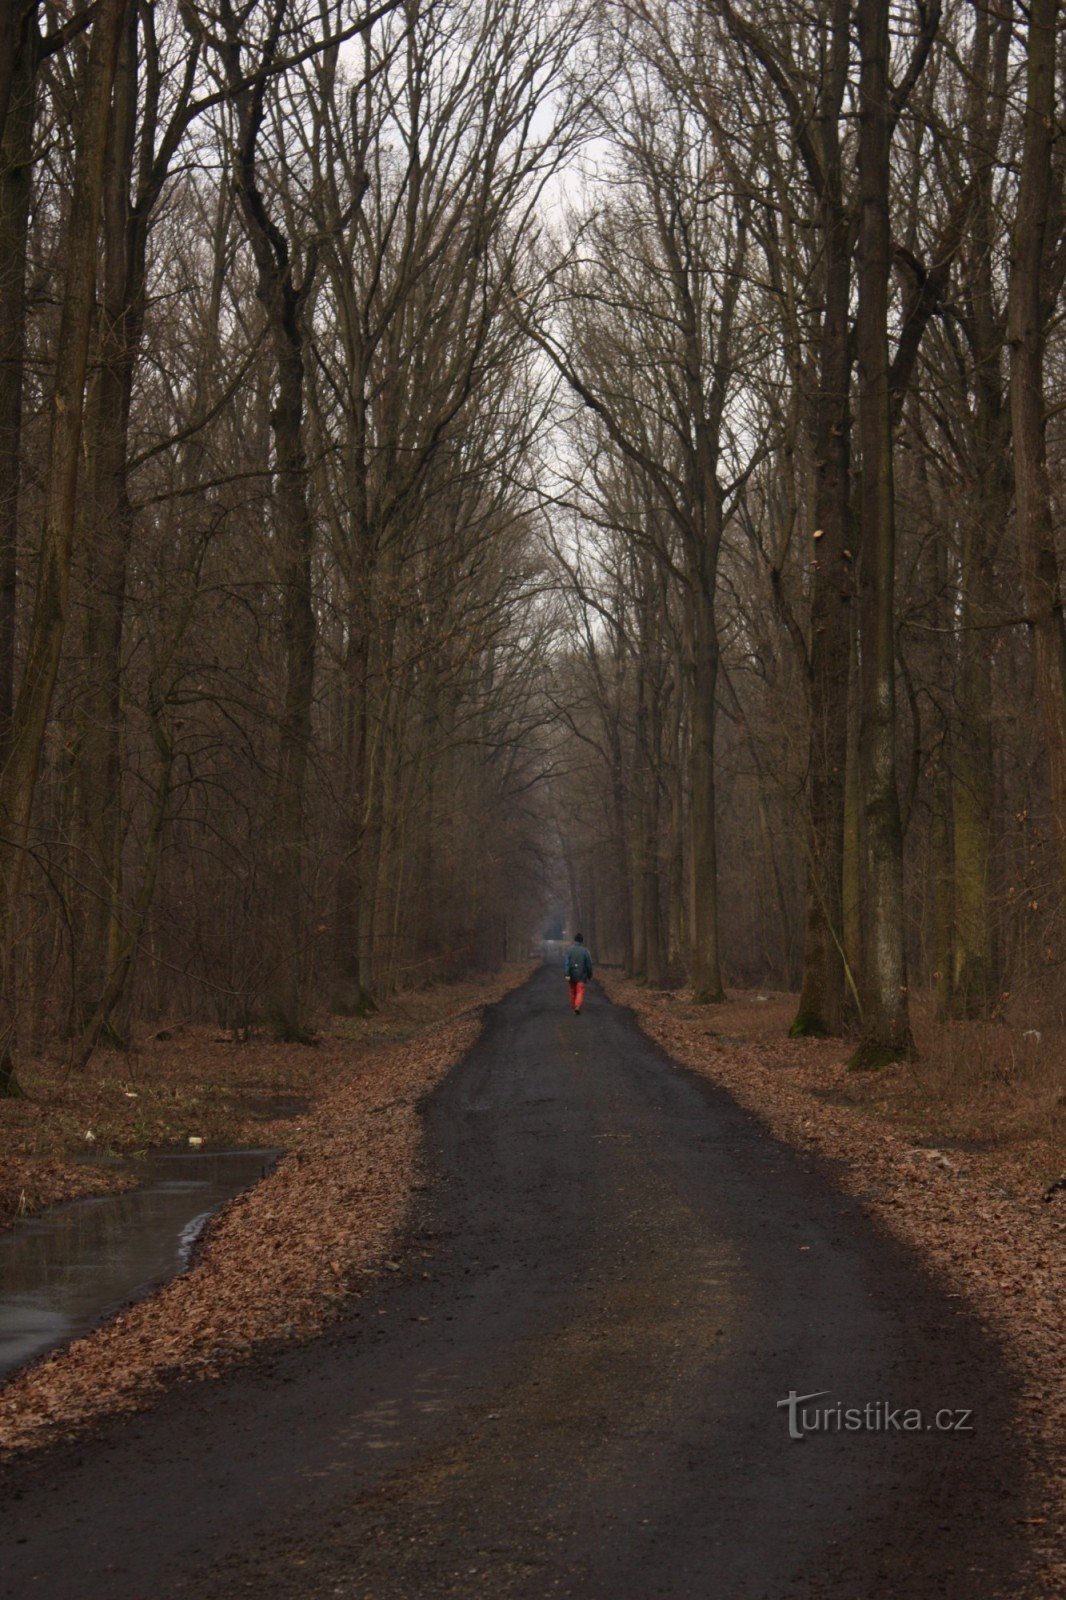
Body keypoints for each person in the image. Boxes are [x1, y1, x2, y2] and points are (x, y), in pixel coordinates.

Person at [563, 932, 592, 1014]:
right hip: (581, 975)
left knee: (572, 990)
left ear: (574, 940)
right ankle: (577, 1006)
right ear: (581, 941)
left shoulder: (569, 950)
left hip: (571, 974)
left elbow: (566, 963)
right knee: (580, 991)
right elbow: (589, 964)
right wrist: (589, 975)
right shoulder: (585, 951)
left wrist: (566, 974)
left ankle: (573, 1005)